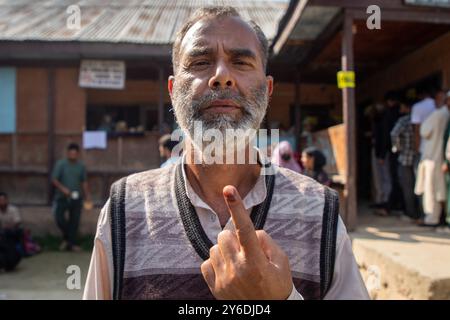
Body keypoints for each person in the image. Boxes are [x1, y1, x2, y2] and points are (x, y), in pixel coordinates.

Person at [83, 6, 369, 300]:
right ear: (172, 90)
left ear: (268, 90)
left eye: (241, 62)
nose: (221, 76)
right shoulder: (124, 209)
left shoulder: (319, 213)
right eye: (201, 62)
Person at [415, 89, 449, 226]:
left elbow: (424, 131)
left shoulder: (438, 114)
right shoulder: (445, 115)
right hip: (441, 158)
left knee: (432, 190)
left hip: (433, 157)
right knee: (440, 190)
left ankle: (432, 219)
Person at [52, 143, 91, 252]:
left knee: (74, 221)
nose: (72, 155)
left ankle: (71, 244)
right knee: (59, 218)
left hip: (76, 197)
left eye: (75, 153)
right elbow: (54, 180)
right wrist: (63, 189)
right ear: (68, 153)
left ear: (77, 154)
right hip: (61, 197)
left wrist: (87, 195)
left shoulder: (81, 166)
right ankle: (67, 239)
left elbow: (84, 182)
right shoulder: (61, 164)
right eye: (71, 153)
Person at [390, 99, 419, 222]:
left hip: (405, 157)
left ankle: (410, 213)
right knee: (418, 187)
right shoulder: (420, 120)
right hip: (417, 157)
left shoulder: (404, 120)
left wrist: (396, 147)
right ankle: (419, 213)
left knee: (407, 187)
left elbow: (394, 133)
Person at [0, 192, 40, 257]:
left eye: (3, 200)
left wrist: (9, 228)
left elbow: (17, 222)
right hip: (3, 232)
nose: (1, 202)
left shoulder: (13, 209)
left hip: (14, 230)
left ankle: (25, 249)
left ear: (7, 200)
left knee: (17, 231)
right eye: (0, 200)